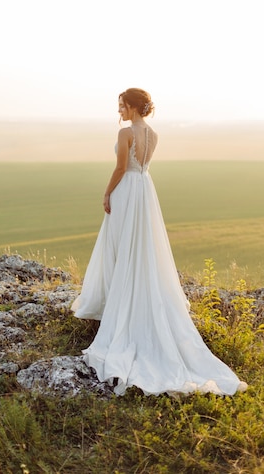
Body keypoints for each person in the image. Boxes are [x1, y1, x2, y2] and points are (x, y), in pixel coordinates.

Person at [71, 88, 247, 396]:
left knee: (122, 247)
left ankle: (119, 304)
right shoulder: (154, 134)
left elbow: (121, 168)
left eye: (122, 106)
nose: (119, 112)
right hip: (145, 191)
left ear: (134, 107)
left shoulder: (126, 133)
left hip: (127, 191)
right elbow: (141, 167)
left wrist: (106, 192)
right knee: (141, 249)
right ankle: (126, 297)